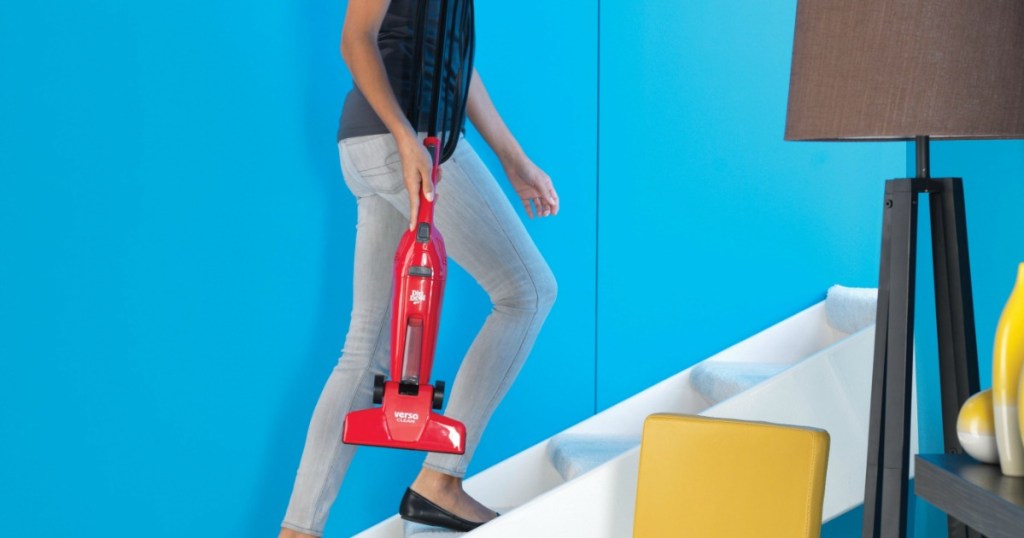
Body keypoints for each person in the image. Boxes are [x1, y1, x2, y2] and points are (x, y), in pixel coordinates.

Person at [279, 0, 558, 535]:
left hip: (379, 143)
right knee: (527, 292)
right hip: (407, 141)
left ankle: (297, 530)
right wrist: (406, 137)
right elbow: (356, 37)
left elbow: (456, 60)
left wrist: (513, 157)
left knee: (365, 352)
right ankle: (441, 481)